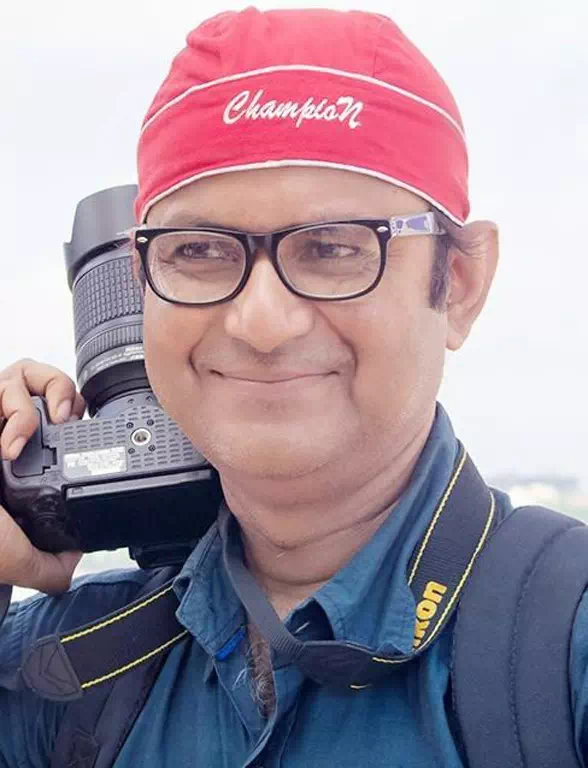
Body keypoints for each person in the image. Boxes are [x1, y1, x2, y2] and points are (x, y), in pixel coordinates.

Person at [0, 7, 585, 767]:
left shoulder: (561, 652)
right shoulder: (66, 668)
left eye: (334, 248)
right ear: (142, 286)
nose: (262, 322)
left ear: (461, 284)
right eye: (198, 250)